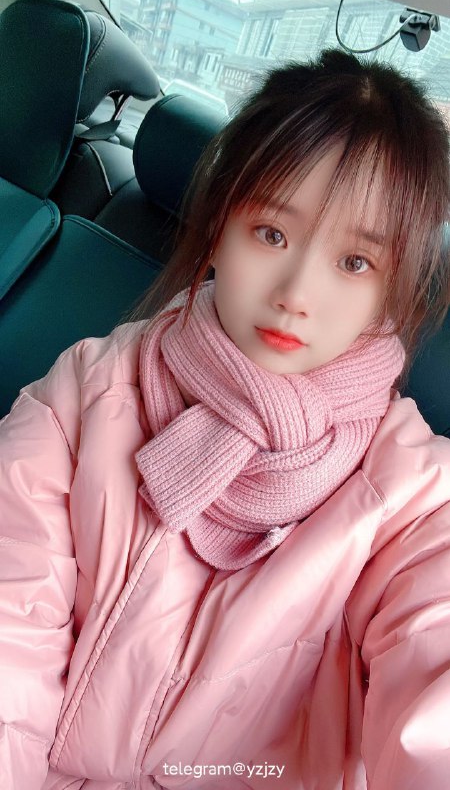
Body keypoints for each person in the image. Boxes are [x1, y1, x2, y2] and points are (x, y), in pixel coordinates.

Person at [0, 48, 449, 790]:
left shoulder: (413, 500)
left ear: (391, 289)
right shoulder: (86, 393)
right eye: (271, 234)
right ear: (219, 228)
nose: (296, 294)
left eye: (354, 263)